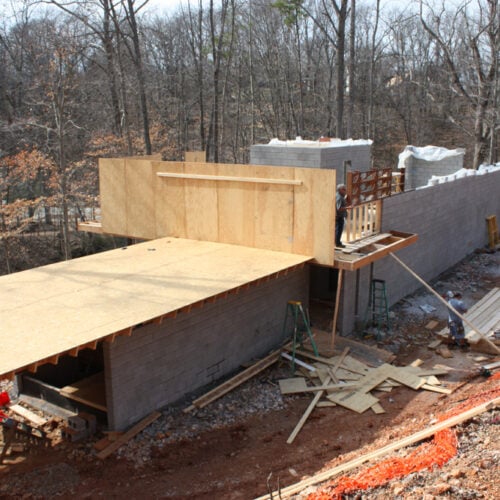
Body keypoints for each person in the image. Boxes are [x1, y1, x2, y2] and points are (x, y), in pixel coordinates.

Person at [335, 184, 351, 248]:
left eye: (345, 189)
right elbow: (339, 208)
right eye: (343, 189)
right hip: (339, 217)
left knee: (337, 230)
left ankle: (336, 242)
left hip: (338, 216)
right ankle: (338, 244)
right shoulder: (339, 197)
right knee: (339, 230)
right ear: (339, 190)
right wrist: (347, 207)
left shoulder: (339, 196)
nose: (345, 191)